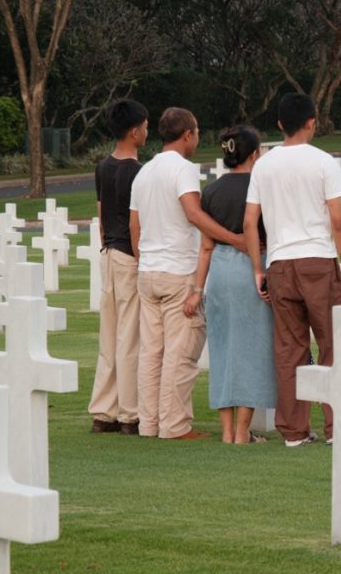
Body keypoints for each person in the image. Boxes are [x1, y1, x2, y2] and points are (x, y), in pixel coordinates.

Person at [244, 93, 341, 448]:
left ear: (279, 124)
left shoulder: (263, 164)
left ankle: (293, 431)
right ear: (313, 121)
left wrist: (257, 269)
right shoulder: (323, 161)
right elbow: (337, 221)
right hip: (317, 262)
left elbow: (250, 221)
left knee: (289, 348)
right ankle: (338, 426)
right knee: (332, 344)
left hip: (279, 263)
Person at [129, 107, 246, 440]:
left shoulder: (144, 172)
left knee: (152, 353)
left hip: (149, 271)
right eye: (196, 132)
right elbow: (194, 215)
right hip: (178, 269)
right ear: (187, 135)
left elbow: (134, 226)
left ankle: (149, 423)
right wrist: (235, 238)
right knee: (181, 353)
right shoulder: (183, 169)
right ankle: (175, 425)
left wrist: (145, 260)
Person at [185, 125, 277, 445]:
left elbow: (206, 247)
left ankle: (226, 431)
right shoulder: (261, 186)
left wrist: (198, 289)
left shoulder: (210, 191)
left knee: (222, 348)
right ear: (254, 154)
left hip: (219, 273)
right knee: (253, 348)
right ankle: (242, 433)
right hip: (254, 265)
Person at [88, 100, 149, 435]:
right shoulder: (137, 172)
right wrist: (141, 260)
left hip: (108, 253)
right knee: (130, 336)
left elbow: (101, 215)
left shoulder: (102, 167)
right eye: (145, 126)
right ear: (134, 131)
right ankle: (129, 413)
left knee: (109, 335)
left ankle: (103, 411)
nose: (147, 131)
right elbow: (136, 223)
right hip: (129, 255)